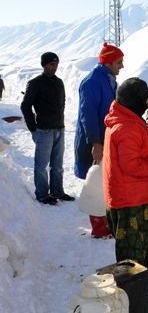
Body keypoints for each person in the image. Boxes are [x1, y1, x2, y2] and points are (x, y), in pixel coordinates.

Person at [103, 78, 148, 268]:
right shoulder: (127, 127)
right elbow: (131, 165)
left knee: (140, 239)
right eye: (143, 100)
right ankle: (130, 282)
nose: (146, 105)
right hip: (131, 198)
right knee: (132, 243)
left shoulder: (122, 119)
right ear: (134, 101)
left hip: (129, 193)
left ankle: (139, 273)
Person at [74, 42, 124, 238]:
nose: (122, 66)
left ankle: (107, 222)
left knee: (107, 181)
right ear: (109, 62)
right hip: (93, 140)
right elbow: (88, 115)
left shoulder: (109, 79)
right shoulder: (93, 82)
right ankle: (99, 227)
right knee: (96, 182)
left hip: (106, 139)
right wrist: (95, 142)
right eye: (119, 62)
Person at [20, 52, 74, 205]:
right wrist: (33, 128)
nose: (54, 67)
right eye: (51, 64)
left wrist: (60, 124)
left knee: (57, 165)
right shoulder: (35, 83)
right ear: (44, 65)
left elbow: (61, 104)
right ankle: (43, 195)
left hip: (59, 129)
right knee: (41, 166)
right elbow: (25, 106)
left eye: (56, 64)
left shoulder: (59, 82)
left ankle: (57, 191)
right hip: (43, 130)